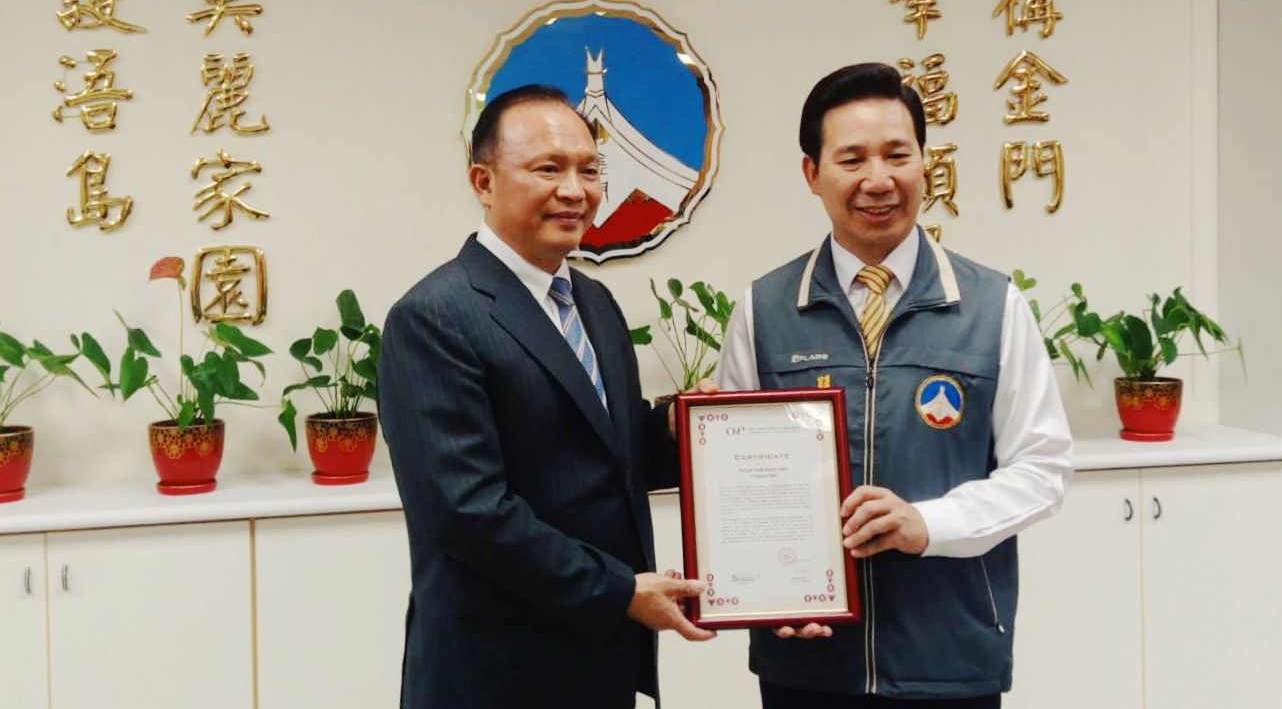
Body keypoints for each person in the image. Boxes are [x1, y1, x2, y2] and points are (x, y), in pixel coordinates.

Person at [716, 62, 1074, 709]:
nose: (877, 179)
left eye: (897, 155)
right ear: (812, 174)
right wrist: (770, 595)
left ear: (925, 163)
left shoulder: (993, 306)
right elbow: (735, 483)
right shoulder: (763, 310)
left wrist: (926, 524)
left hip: (951, 656)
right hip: (807, 661)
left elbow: (1042, 468)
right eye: (851, 158)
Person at [378, 84, 713, 709]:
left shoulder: (594, 303)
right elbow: (467, 510)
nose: (575, 190)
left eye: (590, 170)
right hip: (495, 670)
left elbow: (607, 451)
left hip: (598, 659)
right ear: (483, 181)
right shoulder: (435, 316)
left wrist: (683, 427)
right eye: (548, 169)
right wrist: (618, 592)